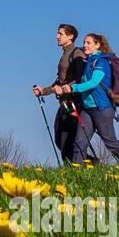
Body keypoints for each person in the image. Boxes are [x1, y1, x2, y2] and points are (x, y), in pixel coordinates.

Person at [55, 32, 119, 165]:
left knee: (110, 142)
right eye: (84, 43)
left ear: (97, 45)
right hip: (87, 109)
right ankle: (76, 174)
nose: (84, 45)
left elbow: (94, 82)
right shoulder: (88, 62)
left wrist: (73, 88)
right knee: (80, 142)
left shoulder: (101, 62)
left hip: (102, 109)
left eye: (88, 43)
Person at [32, 23, 88, 165]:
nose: (57, 36)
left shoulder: (76, 53)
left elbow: (82, 78)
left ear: (70, 36)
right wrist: (43, 91)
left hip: (73, 102)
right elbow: (59, 82)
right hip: (65, 102)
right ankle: (83, 165)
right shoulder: (65, 55)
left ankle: (85, 165)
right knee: (60, 137)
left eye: (60, 34)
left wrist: (65, 88)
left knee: (67, 138)